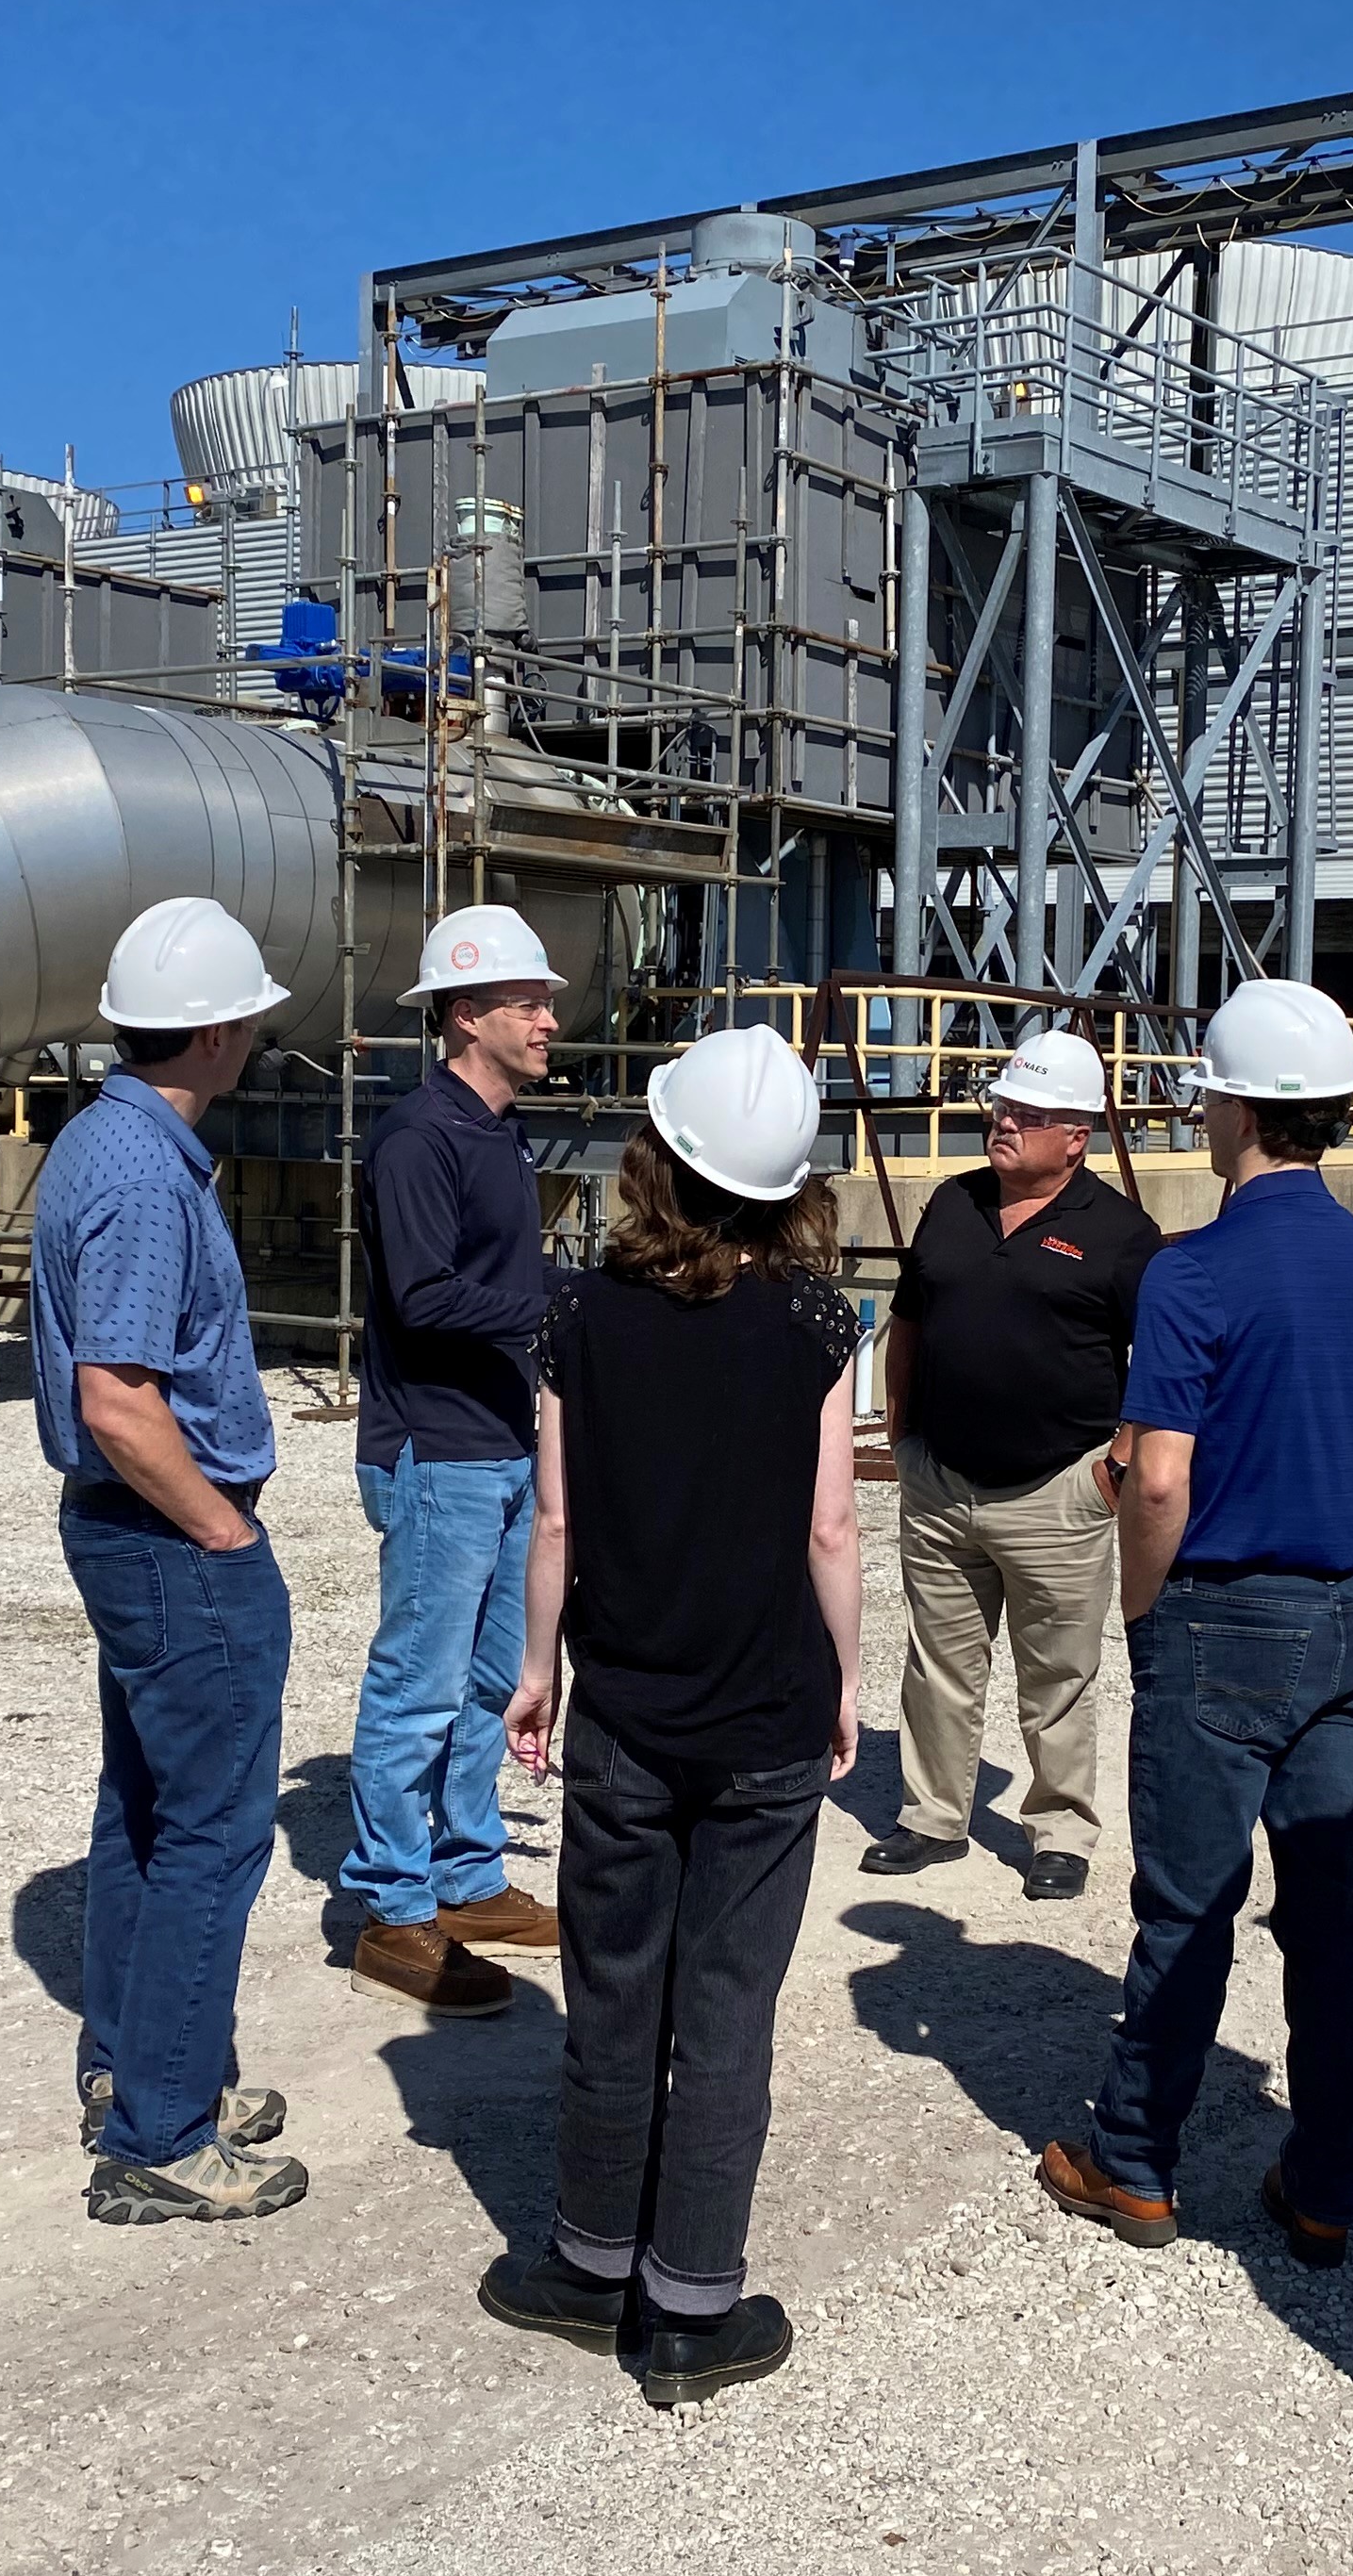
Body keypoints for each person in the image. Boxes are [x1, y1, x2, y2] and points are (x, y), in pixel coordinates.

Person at [477, 1026, 864, 2408]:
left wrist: (539, 1670)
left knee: (615, 1987)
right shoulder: (823, 1323)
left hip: (627, 1711)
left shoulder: (576, 1316)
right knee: (727, 2007)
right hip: (766, 1715)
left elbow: (559, 1519)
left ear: (659, 1158)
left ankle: (588, 2265)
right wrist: (849, 1681)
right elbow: (830, 1526)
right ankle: (693, 2304)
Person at [1034, 981, 1353, 2270]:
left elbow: (1157, 1475)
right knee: (1328, 1912)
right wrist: (1337, 1538)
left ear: (1243, 1108)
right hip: (1342, 1615)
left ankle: (1136, 2161)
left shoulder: (1194, 1271)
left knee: (1188, 1908)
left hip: (1218, 1617)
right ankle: (1326, 2183)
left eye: (1208, 1092)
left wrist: (1149, 1609)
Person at [33, 896, 307, 2227]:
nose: (260, 1031)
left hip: (131, 1535)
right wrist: (224, 1528)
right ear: (212, 1030)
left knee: (142, 1813)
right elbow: (119, 1399)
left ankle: (139, 2067)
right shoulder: (146, 1178)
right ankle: (163, 2134)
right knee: (210, 1835)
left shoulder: (105, 1143)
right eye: (249, 1013)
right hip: (170, 1535)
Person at [862, 1029, 1163, 1900]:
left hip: (1058, 1489)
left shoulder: (1119, 1233)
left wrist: (1114, 1466)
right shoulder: (952, 1204)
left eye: (1029, 1115)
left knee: (1058, 1676)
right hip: (940, 1481)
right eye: (1001, 1107)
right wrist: (904, 1434)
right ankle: (931, 1817)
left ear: (1077, 1135)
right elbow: (909, 1321)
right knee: (938, 1664)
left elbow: (1167, 1359)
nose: (1005, 1123)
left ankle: (1060, 1830)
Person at [342, 904, 567, 2017]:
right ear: (466, 1013)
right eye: (529, 1001)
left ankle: (469, 1877)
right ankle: (392, 1906)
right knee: (419, 1684)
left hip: (502, 1441)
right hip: (437, 1452)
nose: (548, 1018)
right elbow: (424, 1295)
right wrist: (554, 1307)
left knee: (494, 1678)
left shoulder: (498, 1128)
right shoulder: (417, 1137)